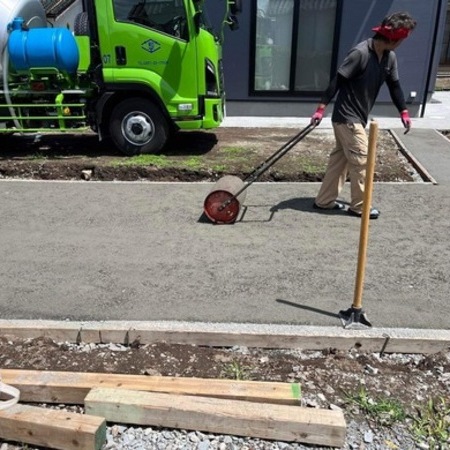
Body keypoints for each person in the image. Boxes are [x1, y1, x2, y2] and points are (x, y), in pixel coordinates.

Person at [311, 12, 417, 219]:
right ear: (394, 39)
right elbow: (337, 81)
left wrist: (403, 111)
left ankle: (324, 201)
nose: (403, 43)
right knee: (362, 160)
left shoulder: (389, 57)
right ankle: (360, 206)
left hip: (356, 117)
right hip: (346, 117)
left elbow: (394, 86)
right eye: (403, 39)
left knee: (340, 160)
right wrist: (320, 108)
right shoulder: (360, 53)